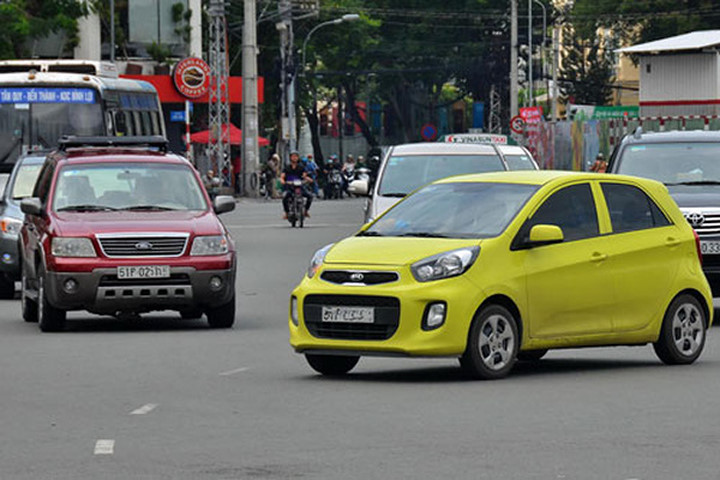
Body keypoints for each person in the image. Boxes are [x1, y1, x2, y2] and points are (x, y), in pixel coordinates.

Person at [280, 151, 312, 219]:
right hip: (290, 187)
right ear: (290, 158)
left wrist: (307, 179)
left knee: (310, 196)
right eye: (293, 156)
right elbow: (282, 176)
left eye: (296, 156)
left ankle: (306, 211)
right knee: (285, 197)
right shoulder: (287, 167)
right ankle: (287, 212)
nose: (294, 158)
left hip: (300, 187)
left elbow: (304, 175)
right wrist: (283, 181)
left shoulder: (301, 167)